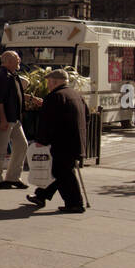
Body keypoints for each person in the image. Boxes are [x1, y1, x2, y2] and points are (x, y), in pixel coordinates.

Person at [28, 69, 89, 213]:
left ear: (55, 82)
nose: (48, 85)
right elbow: (87, 117)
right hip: (75, 140)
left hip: (62, 142)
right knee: (59, 170)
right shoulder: (75, 95)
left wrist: (41, 140)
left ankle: (75, 203)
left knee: (62, 171)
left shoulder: (55, 96)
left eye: (49, 82)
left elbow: (47, 121)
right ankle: (41, 195)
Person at [0, 50, 29, 189]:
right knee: (1, 150)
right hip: (6, 119)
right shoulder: (3, 77)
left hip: (14, 118)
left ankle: (13, 177)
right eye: (17, 59)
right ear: (8, 61)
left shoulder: (11, 75)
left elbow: (14, 95)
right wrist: (2, 119)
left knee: (22, 145)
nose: (19, 60)